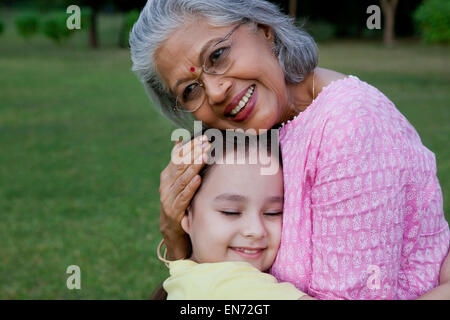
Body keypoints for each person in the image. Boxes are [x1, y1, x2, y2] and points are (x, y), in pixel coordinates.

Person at [130, 0, 450, 299]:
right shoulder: (254, 137)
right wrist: (175, 236)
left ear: (264, 31)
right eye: (189, 90)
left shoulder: (346, 123)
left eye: (217, 56)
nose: (215, 91)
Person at [156, 132, 312, 300]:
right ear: (185, 215)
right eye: (230, 212)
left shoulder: (184, 276)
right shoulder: (231, 287)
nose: (256, 230)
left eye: (273, 212)